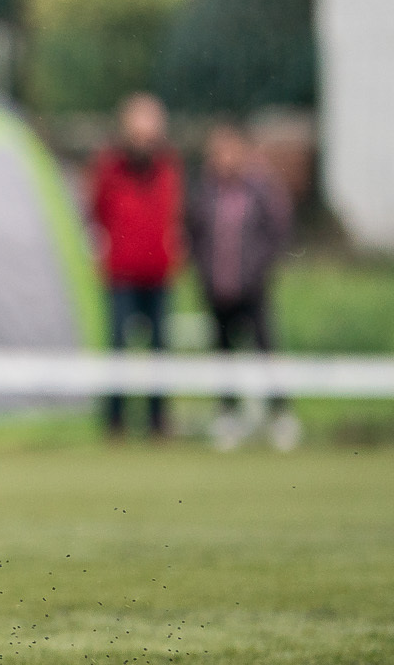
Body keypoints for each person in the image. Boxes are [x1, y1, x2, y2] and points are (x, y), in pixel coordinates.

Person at [185, 123, 296, 448]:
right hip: (216, 287)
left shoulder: (260, 189)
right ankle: (228, 415)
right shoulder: (205, 192)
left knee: (266, 350)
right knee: (223, 354)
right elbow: (195, 234)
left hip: (252, 287)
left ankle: (281, 414)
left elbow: (277, 231)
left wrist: (259, 269)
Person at [88, 93, 181, 439]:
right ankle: (115, 422)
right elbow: (97, 211)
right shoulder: (109, 168)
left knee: (160, 349)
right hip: (121, 274)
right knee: (118, 348)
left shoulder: (168, 168)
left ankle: (159, 423)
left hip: (158, 273)